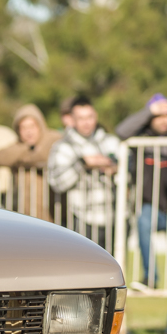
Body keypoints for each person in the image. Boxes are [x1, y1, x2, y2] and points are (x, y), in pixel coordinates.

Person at [116, 93, 167, 334]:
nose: (164, 120)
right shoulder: (141, 140)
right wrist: (150, 110)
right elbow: (121, 131)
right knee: (144, 221)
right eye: (158, 116)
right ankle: (150, 276)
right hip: (151, 206)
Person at [47, 96, 121, 245]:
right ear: (72, 120)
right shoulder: (63, 146)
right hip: (82, 218)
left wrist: (114, 168)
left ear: (96, 116)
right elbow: (57, 183)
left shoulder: (111, 142)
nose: (86, 122)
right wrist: (82, 164)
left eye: (89, 117)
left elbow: (130, 171)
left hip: (115, 216)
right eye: (81, 118)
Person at [0, 104, 60, 221]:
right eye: (23, 128)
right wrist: (27, 148)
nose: (28, 131)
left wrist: (19, 159)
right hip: (24, 212)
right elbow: (1, 157)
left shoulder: (52, 138)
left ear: (40, 126)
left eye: (32, 126)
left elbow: (43, 156)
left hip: (52, 212)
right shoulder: (20, 145)